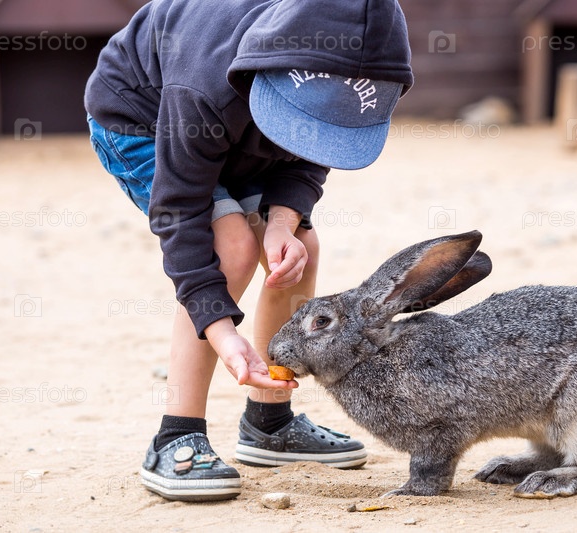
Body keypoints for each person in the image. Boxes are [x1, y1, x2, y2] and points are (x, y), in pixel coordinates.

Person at [84, 0, 413, 501]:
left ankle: (268, 422)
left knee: (300, 247)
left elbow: (309, 155)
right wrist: (221, 330)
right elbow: (180, 213)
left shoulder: (337, 76)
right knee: (231, 247)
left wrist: (282, 222)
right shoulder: (203, 87)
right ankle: (176, 436)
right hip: (146, 121)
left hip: (244, 132)